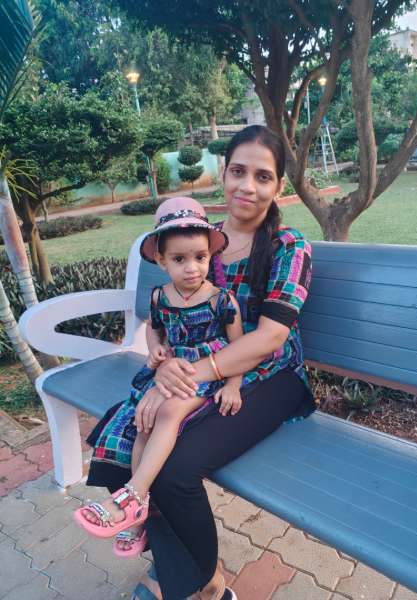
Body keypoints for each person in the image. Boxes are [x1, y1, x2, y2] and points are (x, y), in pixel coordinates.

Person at [85, 125, 315, 600]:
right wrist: (163, 364)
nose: (247, 186)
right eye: (238, 171)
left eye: (263, 177)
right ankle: (182, 568)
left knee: (174, 468)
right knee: (124, 432)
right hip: (202, 370)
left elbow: (270, 338)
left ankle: (204, 584)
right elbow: (172, 319)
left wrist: (183, 376)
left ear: (278, 185)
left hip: (273, 376)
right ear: (224, 173)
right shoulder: (197, 241)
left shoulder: (289, 247)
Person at [74, 197, 243, 558]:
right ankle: (138, 510)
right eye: (179, 259)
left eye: (200, 257)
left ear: (210, 256)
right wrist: (155, 350)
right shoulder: (159, 298)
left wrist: (233, 384)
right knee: (143, 422)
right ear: (162, 261)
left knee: (166, 413)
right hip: (170, 370)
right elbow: (155, 330)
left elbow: (238, 346)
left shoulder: (222, 300)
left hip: (207, 372)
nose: (192, 268)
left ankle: (132, 496)